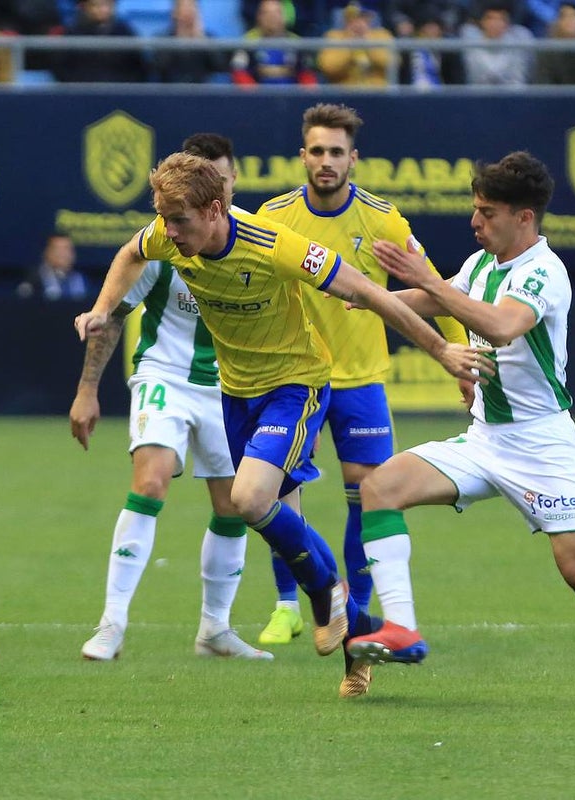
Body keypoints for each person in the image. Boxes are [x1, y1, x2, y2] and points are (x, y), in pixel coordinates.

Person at [75, 152, 489, 680]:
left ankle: (326, 594)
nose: (168, 230)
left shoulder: (272, 244)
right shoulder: (165, 233)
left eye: (178, 219)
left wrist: (440, 350)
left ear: (215, 209)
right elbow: (131, 253)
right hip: (235, 393)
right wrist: (103, 310)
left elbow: (366, 292)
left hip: (294, 386)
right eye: (163, 217)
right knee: (263, 510)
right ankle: (355, 625)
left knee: (249, 499)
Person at [343, 151, 575, 708]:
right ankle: (403, 629)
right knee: (380, 487)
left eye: (486, 213)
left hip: (543, 446)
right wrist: (357, 295)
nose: (475, 222)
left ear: (524, 218)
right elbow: (427, 298)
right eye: (475, 210)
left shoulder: (544, 271)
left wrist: (424, 280)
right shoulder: (482, 264)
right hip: (484, 439)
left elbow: (500, 324)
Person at [254, 103, 470, 698]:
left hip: (360, 381)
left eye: (336, 152)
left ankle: (361, 646)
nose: (326, 162)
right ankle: (298, 603)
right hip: (294, 378)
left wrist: (459, 360)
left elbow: (436, 288)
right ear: (303, 155)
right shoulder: (273, 218)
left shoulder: (382, 220)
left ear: (355, 158)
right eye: (316, 151)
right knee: (271, 498)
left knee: (367, 498)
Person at [71, 134, 273, 662]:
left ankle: (214, 630)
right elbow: (114, 311)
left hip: (231, 387)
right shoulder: (167, 236)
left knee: (233, 505)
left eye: (223, 179)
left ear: (231, 184)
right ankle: (111, 625)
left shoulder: (257, 237)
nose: (216, 187)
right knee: (152, 480)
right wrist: (87, 389)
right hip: (166, 375)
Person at [53, 0, 147, 82]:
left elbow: (138, 67)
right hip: (81, 93)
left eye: (108, 5)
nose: (103, 9)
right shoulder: (72, 32)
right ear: (85, 7)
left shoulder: (124, 31)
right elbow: (61, 68)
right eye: (96, 5)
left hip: (120, 94)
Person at [231, 0, 319, 85]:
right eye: (266, 13)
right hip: (258, 96)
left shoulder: (297, 43)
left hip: (292, 96)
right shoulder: (248, 42)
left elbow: (308, 76)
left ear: (286, 16)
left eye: (277, 12)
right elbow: (239, 73)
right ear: (258, 17)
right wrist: (255, 95)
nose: (272, 17)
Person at [317, 2, 397, 86]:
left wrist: (368, 42)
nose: (358, 23)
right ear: (345, 20)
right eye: (353, 18)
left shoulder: (382, 35)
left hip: (378, 92)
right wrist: (350, 44)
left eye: (363, 17)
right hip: (344, 93)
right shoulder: (334, 36)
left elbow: (393, 64)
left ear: (370, 19)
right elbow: (328, 67)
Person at [460, 0, 536, 85]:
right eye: (490, 18)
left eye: (501, 19)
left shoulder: (520, 38)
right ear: (482, 21)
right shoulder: (468, 37)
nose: (495, 23)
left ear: (508, 23)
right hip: (476, 96)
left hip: (513, 96)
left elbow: (522, 78)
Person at [152, 0, 229, 83]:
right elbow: (159, 67)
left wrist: (201, 38)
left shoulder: (208, 38)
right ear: (175, 12)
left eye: (193, 6)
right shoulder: (162, 38)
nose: (189, 10)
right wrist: (179, 38)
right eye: (184, 6)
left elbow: (220, 67)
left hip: (201, 92)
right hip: (170, 92)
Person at [16, 232, 93, 301]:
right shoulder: (34, 279)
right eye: (58, 249)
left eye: (67, 249)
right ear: (47, 252)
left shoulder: (82, 280)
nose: (63, 254)